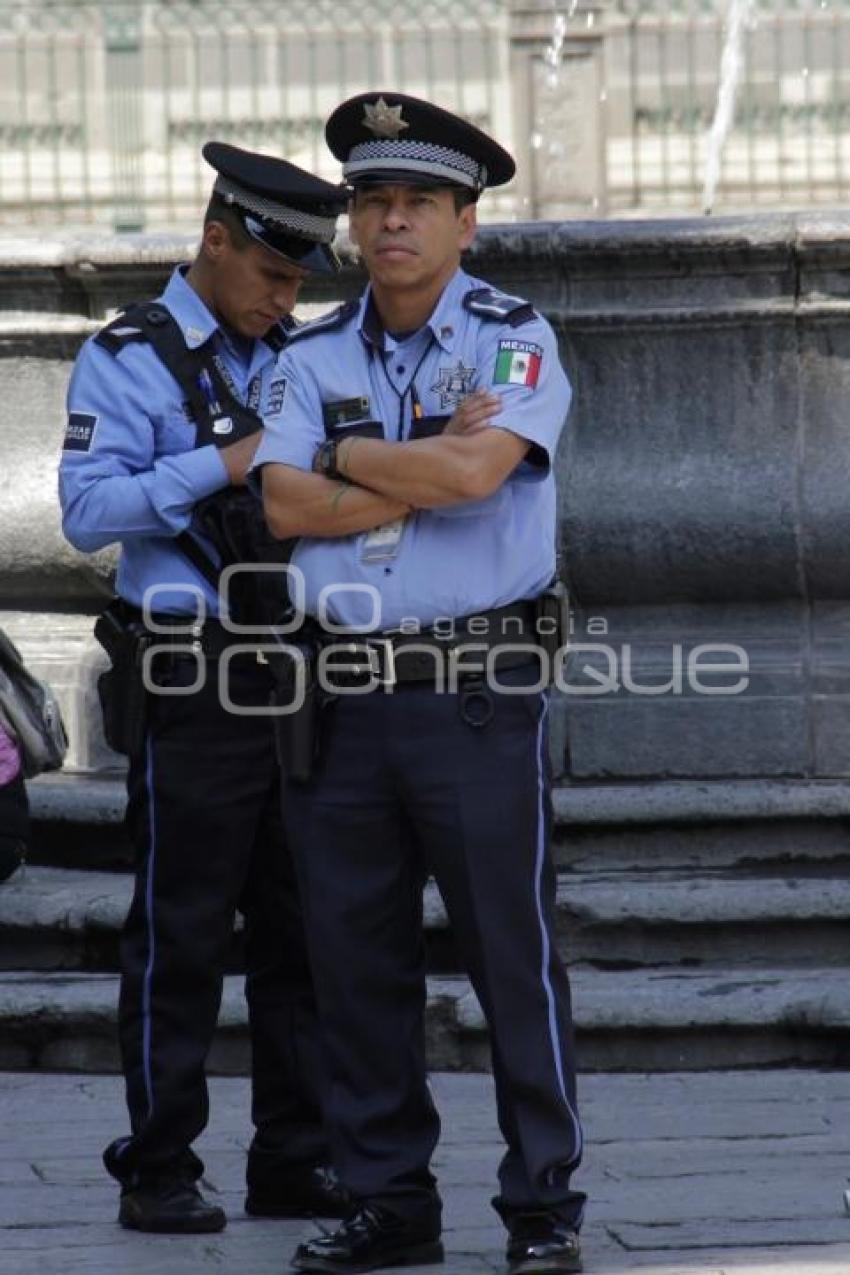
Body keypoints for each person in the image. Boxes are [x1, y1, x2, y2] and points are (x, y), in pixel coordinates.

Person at [254, 93, 585, 1275]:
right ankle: (391, 1204)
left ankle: (542, 1207)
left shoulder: (512, 337)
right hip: (337, 697)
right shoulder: (308, 351)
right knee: (353, 961)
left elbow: (482, 478)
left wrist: (342, 456)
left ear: (466, 224)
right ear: (353, 224)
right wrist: (403, 463)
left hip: (474, 691)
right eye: (373, 202)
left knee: (511, 955)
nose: (392, 221)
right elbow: (282, 504)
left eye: (419, 203)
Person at [58, 143, 349, 1235]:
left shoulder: (299, 355)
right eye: (273, 276)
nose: (287, 300)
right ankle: (159, 1165)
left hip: (303, 667)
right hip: (193, 678)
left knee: (305, 928)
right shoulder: (129, 356)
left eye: (299, 283)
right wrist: (223, 465)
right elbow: (88, 513)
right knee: (179, 933)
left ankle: (296, 1156)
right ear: (214, 241)